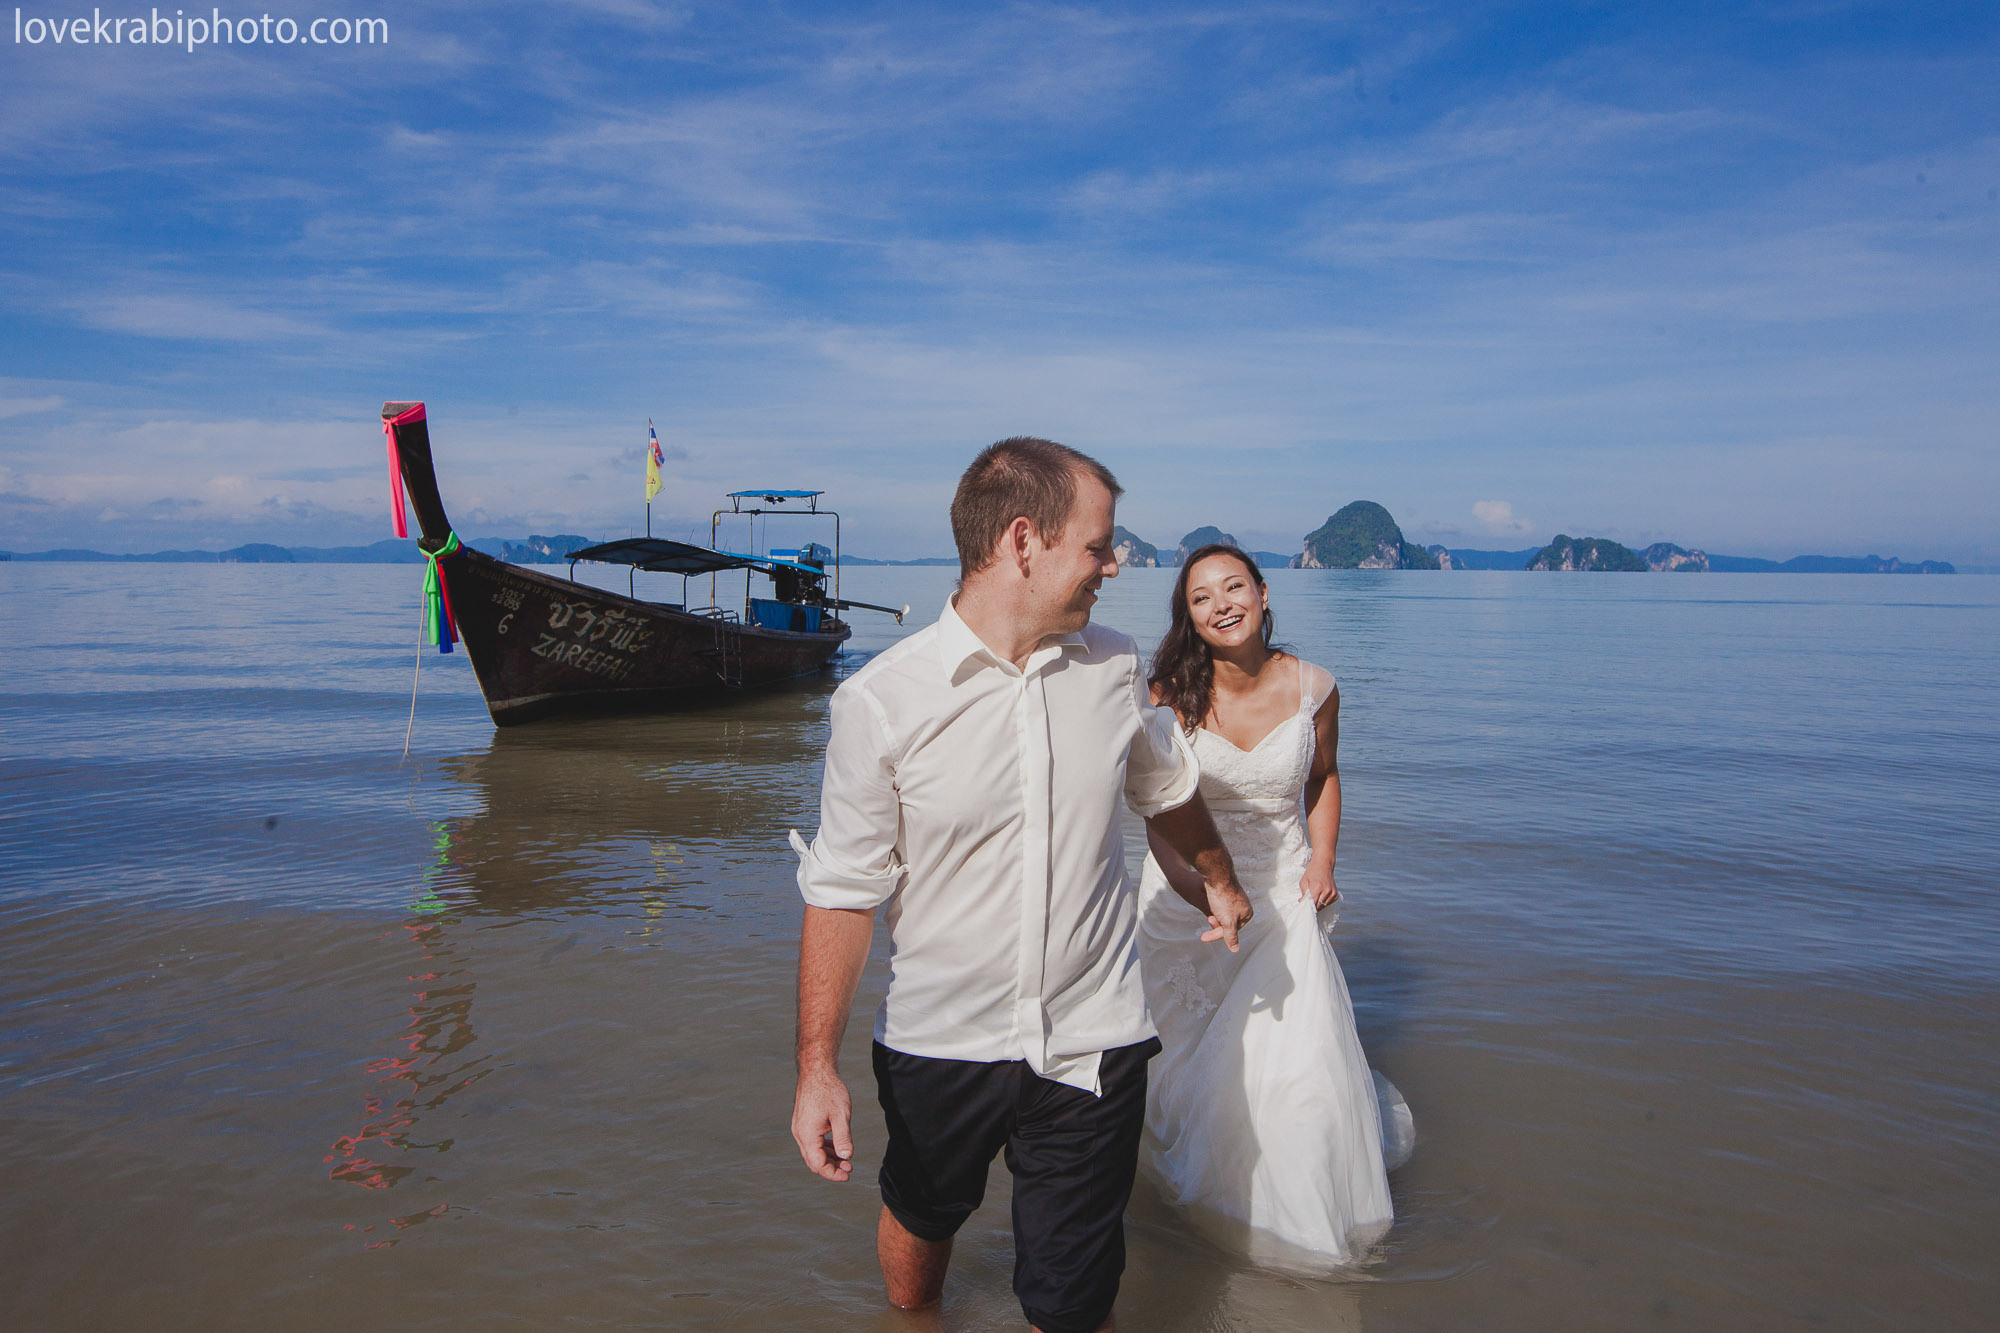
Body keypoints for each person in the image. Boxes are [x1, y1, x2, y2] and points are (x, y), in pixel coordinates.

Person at [789, 440, 1256, 1333]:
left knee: (1074, 1306)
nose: (1114, 566)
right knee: (923, 1220)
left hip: (1094, 1038)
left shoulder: (1115, 666)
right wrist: (816, 1069)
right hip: (941, 1036)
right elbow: (844, 893)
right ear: (1021, 541)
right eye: (1099, 546)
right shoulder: (880, 702)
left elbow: (1165, 794)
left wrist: (1221, 880)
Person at [1135, 543, 1414, 1272]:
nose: (1222, 603)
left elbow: (1323, 778)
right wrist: (1204, 891)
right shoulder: (1167, 694)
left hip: (1285, 895)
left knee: (1297, 1080)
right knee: (1186, 1071)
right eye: (1202, 597)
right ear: (1188, 616)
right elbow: (1157, 814)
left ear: (1262, 594)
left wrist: (1323, 860)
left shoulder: (1314, 686)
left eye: (1234, 587)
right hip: (1187, 899)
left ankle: (1300, 1237)